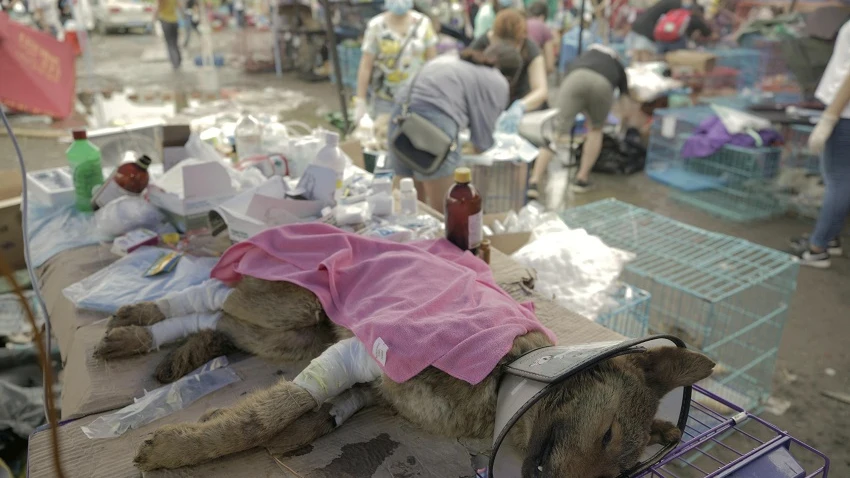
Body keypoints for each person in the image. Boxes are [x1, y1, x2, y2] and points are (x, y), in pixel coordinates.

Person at [388, 44, 523, 211]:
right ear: (513, 77)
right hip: (433, 124)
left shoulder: (455, 60)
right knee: (447, 213)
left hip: (400, 116)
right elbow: (482, 142)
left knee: (405, 207)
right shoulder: (499, 81)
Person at [527, 44, 629, 196]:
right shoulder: (617, 65)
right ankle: (582, 179)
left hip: (575, 79)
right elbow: (625, 101)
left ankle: (534, 181)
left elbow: (566, 74)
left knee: (556, 129)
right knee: (596, 129)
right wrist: (624, 124)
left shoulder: (585, 56)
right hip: (603, 85)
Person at [789, 19, 850, 268]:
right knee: (842, 179)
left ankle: (817, 248)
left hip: (846, 114)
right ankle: (829, 236)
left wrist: (829, 117)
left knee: (839, 180)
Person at [354, 0, 438, 122]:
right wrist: (360, 100)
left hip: (416, 98)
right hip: (385, 99)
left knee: (414, 137)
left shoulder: (423, 23)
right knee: (384, 136)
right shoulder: (376, 25)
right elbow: (366, 65)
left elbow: (433, 63)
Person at [470, 8, 549, 124]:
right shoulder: (481, 44)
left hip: (520, 107)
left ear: (521, 40)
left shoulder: (530, 49)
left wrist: (520, 106)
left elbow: (541, 90)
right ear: (494, 37)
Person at [625, 0, 694, 62]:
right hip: (646, 33)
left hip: (636, 28)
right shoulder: (676, 5)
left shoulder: (666, 2)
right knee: (644, 63)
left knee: (633, 62)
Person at [526, 1, 556, 73]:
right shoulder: (544, 28)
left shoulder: (522, 23)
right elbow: (549, 66)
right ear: (543, 17)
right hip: (534, 70)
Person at [154, 0, 181, 69]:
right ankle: (179, 60)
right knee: (175, 43)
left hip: (165, 21)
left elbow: (159, 8)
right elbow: (179, 6)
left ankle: (175, 63)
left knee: (170, 44)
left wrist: (154, 18)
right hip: (174, 21)